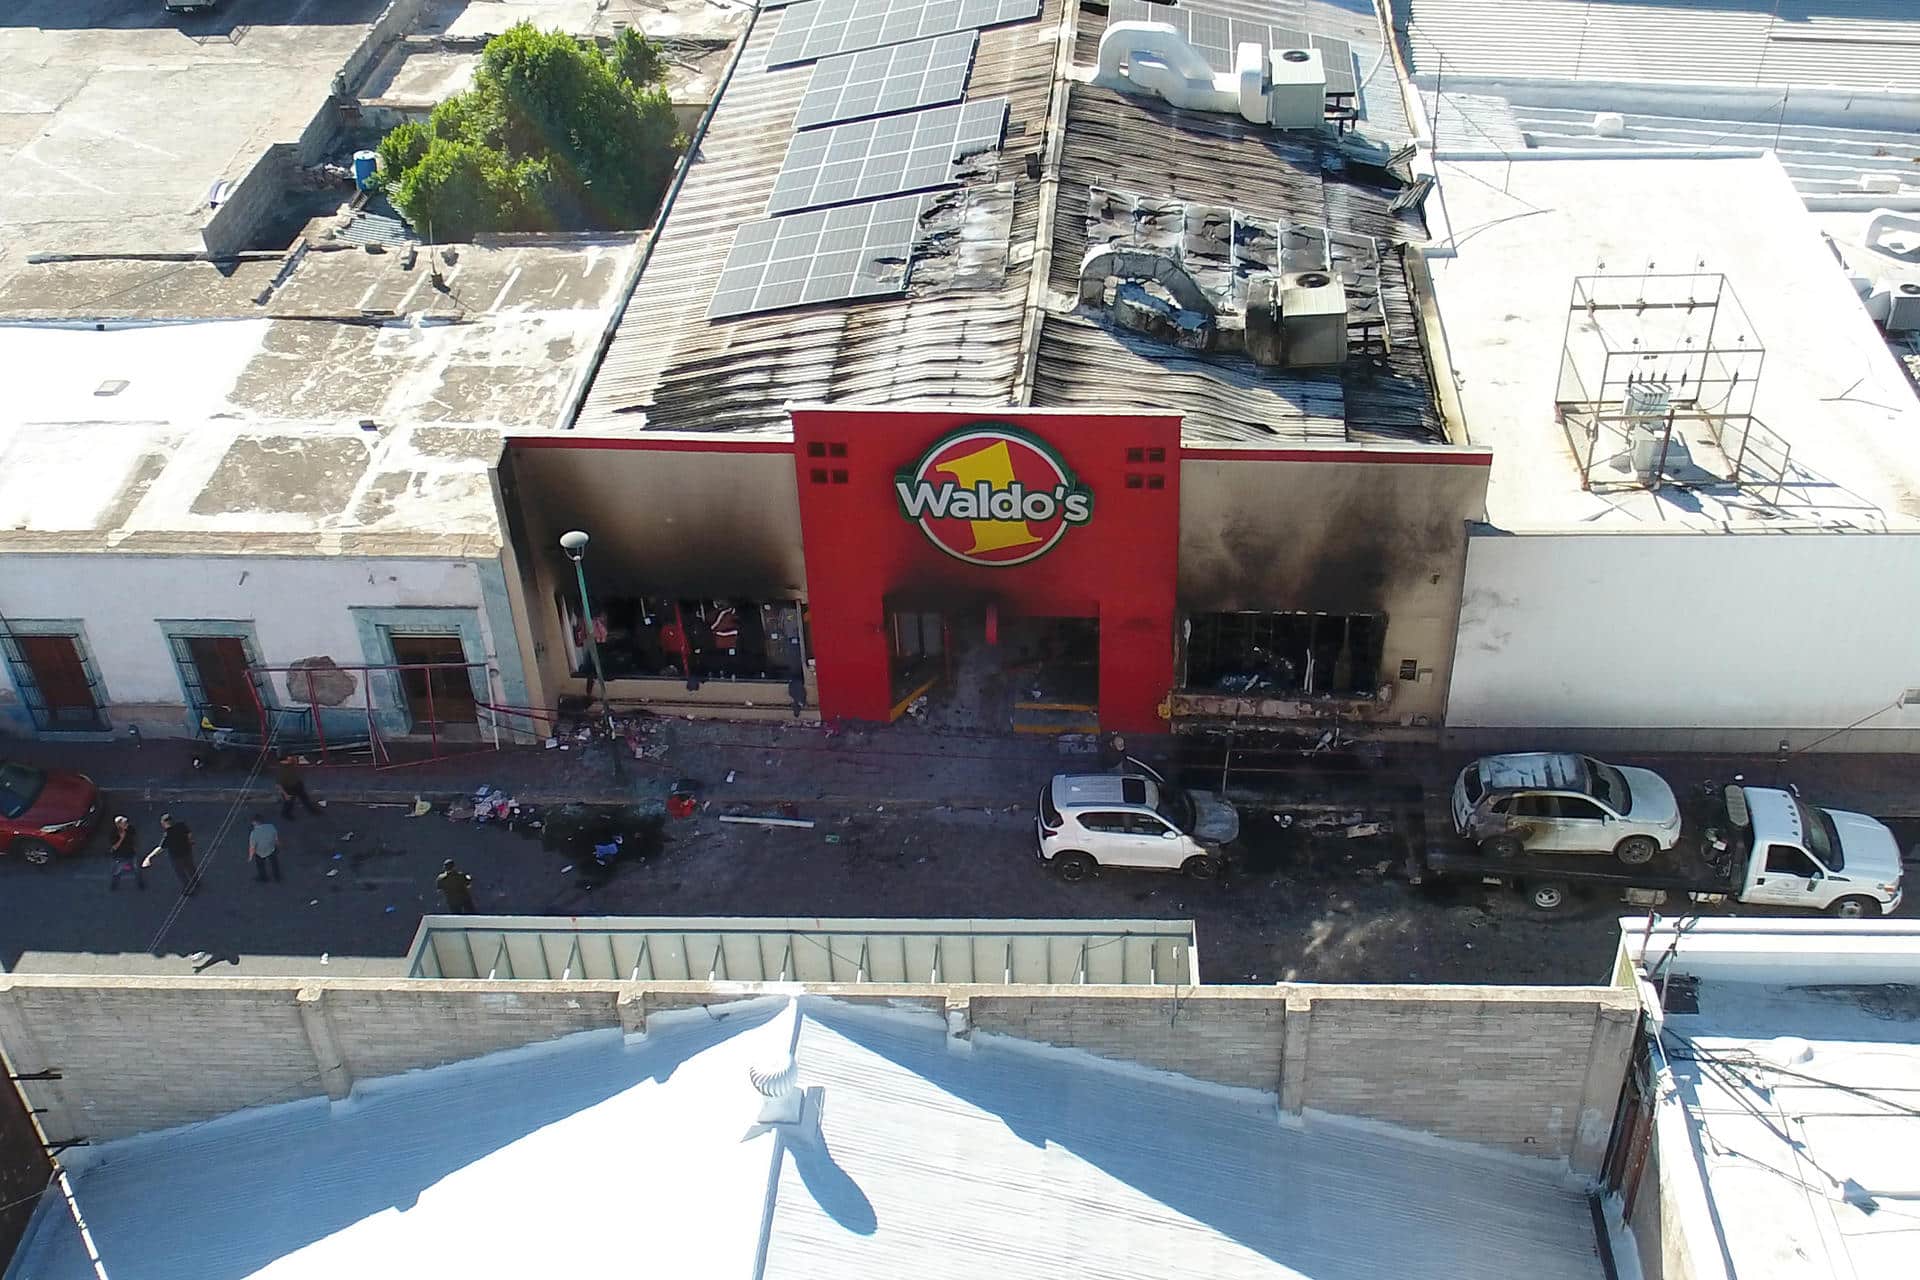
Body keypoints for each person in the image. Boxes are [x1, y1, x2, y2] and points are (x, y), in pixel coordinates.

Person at [144, 814, 198, 895]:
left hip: (176, 857)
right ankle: (196, 881)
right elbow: (189, 833)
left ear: (165, 823)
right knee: (191, 867)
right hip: (187, 852)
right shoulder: (181, 825)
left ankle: (188, 889)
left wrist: (149, 857)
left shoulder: (168, 835)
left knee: (181, 873)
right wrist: (190, 841)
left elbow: (160, 848)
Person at [277, 755, 321, 821]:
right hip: (288, 788)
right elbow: (278, 785)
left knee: (305, 799)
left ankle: (313, 811)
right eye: (289, 757)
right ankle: (286, 814)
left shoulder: (290, 762)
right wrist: (285, 795)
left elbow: (295, 763)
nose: (292, 758)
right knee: (289, 803)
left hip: (297, 784)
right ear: (284, 760)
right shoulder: (281, 770)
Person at [107, 815, 144, 890]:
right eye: (124, 823)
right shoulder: (114, 833)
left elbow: (134, 837)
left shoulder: (130, 828)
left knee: (137, 870)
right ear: (118, 825)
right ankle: (114, 885)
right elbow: (114, 847)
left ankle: (140, 884)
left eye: (126, 823)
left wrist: (135, 847)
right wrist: (121, 838)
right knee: (117, 872)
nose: (126, 824)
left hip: (131, 853)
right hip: (120, 856)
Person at [247, 814, 282, 883]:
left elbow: (252, 848)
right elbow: (276, 839)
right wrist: (279, 845)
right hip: (271, 849)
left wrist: (250, 857)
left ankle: (263, 878)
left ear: (254, 822)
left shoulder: (254, 834)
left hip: (260, 852)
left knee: (260, 865)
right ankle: (277, 876)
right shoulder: (271, 826)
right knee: (274, 863)